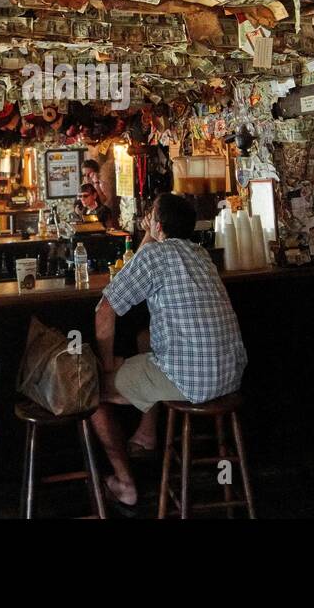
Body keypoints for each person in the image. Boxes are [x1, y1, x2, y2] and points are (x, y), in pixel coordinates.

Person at [90, 192, 247, 507]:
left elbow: (105, 310)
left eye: (151, 217)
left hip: (192, 381)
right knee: (145, 338)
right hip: (232, 376)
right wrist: (150, 235)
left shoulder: (154, 257)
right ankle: (147, 434)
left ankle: (125, 484)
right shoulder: (201, 254)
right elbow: (147, 261)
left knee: (90, 391)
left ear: (158, 225)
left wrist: (107, 364)